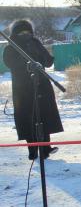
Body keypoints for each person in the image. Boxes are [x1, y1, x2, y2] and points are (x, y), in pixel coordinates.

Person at [3, 20, 62, 160]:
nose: (25, 35)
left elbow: (48, 61)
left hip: (41, 85)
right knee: (29, 117)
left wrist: (39, 55)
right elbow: (10, 63)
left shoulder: (35, 43)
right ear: (15, 34)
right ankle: (33, 150)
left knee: (43, 116)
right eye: (21, 33)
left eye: (28, 32)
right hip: (23, 89)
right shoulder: (11, 47)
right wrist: (27, 63)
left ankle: (46, 148)